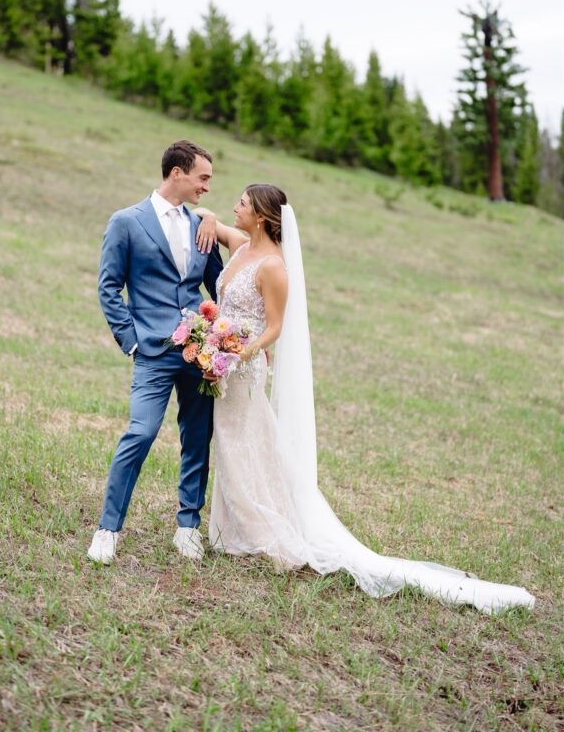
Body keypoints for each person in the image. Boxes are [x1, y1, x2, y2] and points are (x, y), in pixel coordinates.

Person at [193, 185, 536, 615]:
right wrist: (205, 215)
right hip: (224, 360)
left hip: (241, 366)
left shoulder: (273, 267)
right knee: (233, 442)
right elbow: (214, 222)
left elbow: (275, 327)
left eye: (242, 203)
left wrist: (236, 355)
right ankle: (237, 528)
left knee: (241, 442)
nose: (235, 206)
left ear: (261, 215)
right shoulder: (241, 245)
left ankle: (263, 536)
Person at [87, 141, 224, 564]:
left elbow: (221, 286)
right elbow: (109, 287)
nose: (207, 187)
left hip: (200, 353)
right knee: (141, 433)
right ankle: (107, 530)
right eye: (202, 177)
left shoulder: (203, 224)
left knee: (197, 438)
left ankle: (188, 526)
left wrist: (224, 337)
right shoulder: (127, 222)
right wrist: (130, 340)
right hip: (152, 349)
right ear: (178, 173)